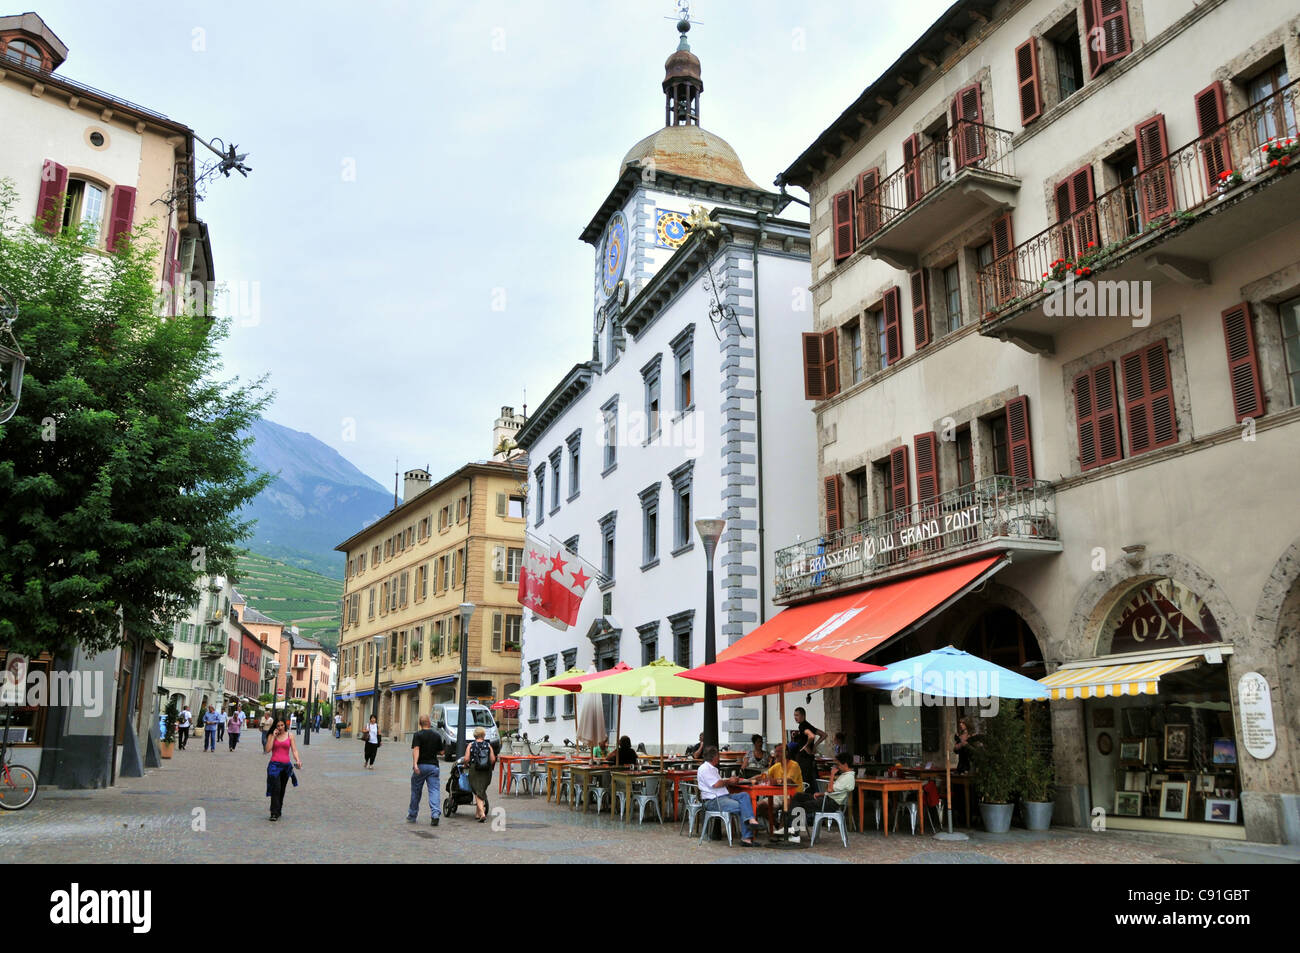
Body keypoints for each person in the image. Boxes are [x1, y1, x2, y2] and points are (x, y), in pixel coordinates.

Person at [695, 746, 760, 847]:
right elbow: (716, 784)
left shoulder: (712, 769)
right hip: (713, 800)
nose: (719, 758)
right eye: (718, 755)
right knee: (743, 806)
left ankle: (751, 820)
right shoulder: (705, 768)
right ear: (714, 757)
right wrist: (729, 781)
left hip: (724, 796)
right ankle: (747, 837)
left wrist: (729, 781)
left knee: (744, 796)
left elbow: (719, 783)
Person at [780, 751, 856, 836]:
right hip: (827, 799)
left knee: (800, 806)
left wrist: (832, 775)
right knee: (798, 796)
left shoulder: (848, 777)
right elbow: (833, 791)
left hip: (831, 803)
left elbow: (830, 789)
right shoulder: (845, 775)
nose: (837, 767)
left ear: (845, 764)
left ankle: (794, 832)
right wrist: (820, 794)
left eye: (838, 765)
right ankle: (790, 827)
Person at [408, 714, 444, 826]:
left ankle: (412, 815)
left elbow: (416, 749)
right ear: (429, 722)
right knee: (434, 790)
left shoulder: (418, 735)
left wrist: (415, 764)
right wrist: (434, 751)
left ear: (420, 724)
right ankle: (435, 814)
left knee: (416, 791)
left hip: (421, 766)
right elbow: (442, 752)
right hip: (433, 766)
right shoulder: (436, 735)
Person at [263, 716, 302, 822]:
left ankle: (278, 809)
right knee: (276, 788)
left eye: (282, 725)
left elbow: (294, 750)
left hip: (286, 767)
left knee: (282, 789)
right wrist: (273, 737)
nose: (280, 727)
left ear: (285, 725)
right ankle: (273, 813)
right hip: (274, 766)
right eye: (278, 725)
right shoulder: (272, 735)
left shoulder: (290, 736)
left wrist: (298, 760)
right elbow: (267, 750)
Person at [462, 727, 496, 822]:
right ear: (483, 735)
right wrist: (491, 767)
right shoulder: (488, 745)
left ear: (475, 735)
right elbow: (493, 759)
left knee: (477, 790)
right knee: (480, 790)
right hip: (486, 770)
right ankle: (477, 813)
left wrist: (465, 765)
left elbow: (466, 759)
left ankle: (482, 813)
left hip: (475, 769)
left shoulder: (471, 745)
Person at [792, 707, 826, 792]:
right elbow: (824, 735)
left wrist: (806, 745)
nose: (795, 717)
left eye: (797, 715)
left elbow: (811, 736)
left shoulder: (802, 726)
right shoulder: (808, 725)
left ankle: (804, 801)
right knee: (811, 781)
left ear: (803, 716)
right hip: (809, 758)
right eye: (794, 715)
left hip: (803, 759)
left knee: (804, 782)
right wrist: (814, 745)